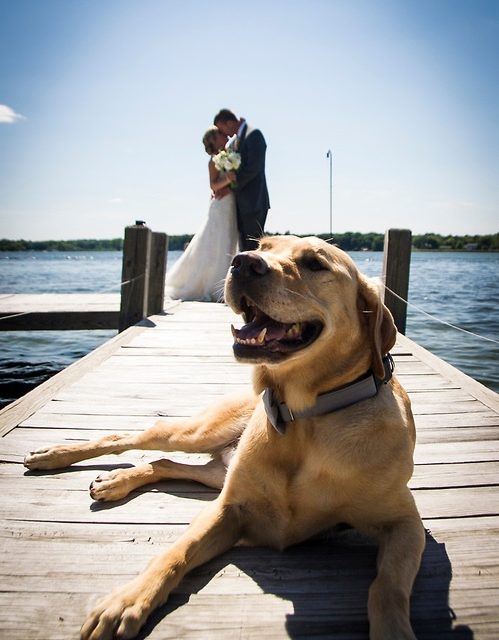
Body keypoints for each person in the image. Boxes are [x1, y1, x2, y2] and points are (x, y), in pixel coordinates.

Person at [164, 127, 238, 302]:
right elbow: (213, 186)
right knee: (217, 242)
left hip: (231, 203)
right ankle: (214, 286)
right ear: (214, 140)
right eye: (220, 134)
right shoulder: (213, 161)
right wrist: (229, 179)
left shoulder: (231, 154)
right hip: (221, 205)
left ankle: (226, 282)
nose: (224, 135)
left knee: (229, 240)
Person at [213, 109, 270, 251]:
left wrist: (230, 188)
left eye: (222, 129)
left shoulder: (254, 135)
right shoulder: (237, 140)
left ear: (229, 122)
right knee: (244, 248)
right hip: (242, 204)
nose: (224, 134)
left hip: (254, 202)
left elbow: (254, 168)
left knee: (252, 248)